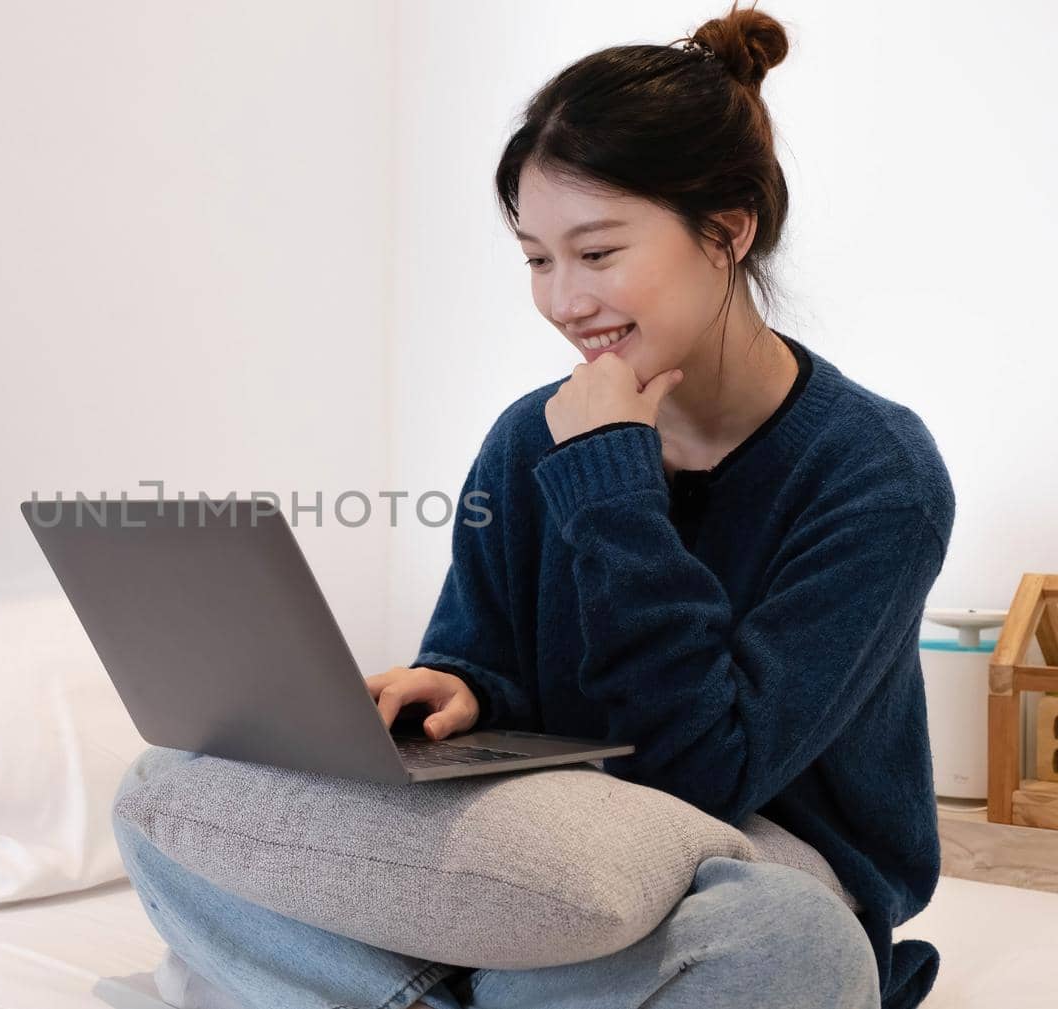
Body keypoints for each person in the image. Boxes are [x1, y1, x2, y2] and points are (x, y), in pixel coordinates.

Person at [113, 3, 952, 1008]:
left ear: (727, 230)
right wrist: (460, 692)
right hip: (549, 858)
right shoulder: (527, 438)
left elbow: (706, 769)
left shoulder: (872, 473)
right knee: (168, 805)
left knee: (782, 946)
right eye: (535, 259)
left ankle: (385, 989)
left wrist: (613, 481)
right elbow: (484, 654)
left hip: (759, 858)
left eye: (596, 253)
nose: (562, 300)